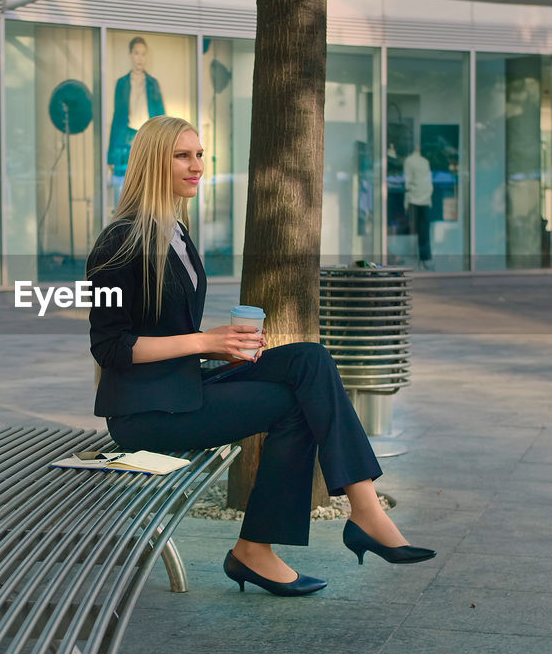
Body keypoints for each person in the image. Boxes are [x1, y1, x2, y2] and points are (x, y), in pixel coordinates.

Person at [86, 115, 435, 597]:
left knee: (310, 360)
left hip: (186, 383)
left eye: (201, 154)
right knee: (293, 406)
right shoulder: (120, 242)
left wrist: (227, 345)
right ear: (152, 162)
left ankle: (362, 507)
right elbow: (109, 347)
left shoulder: (177, 234)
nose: (197, 166)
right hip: (146, 412)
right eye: (182, 156)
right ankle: (259, 548)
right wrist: (207, 342)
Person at [106, 36, 165, 210]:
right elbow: (117, 118)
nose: (140, 58)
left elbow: (161, 119)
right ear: (131, 55)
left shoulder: (153, 84)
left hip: (148, 139)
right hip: (125, 142)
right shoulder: (122, 84)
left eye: (143, 54)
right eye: (137, 53)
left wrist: (165, 149)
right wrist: (110, 155)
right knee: (123, 190)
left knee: (148, 188)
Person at [402, 147, 433, 270]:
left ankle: (420, 260)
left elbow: (407, 180)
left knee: (414, 230)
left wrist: (406, 199)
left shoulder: (409, 161)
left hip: (414, 199)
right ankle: (425, 259)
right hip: (425, 200)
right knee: (423, 231)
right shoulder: (425, 161)